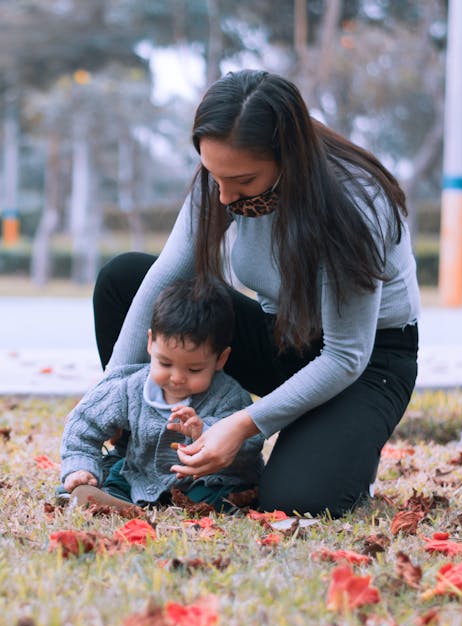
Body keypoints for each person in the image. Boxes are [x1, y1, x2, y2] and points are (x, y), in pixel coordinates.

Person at [93, 69, 420, 518]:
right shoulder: (225, 170)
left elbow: (346, 355)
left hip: (367, 364)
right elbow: (169, 272)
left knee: (299, 500)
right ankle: (138, 451)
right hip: (281, 337)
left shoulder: (355, 205)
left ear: (288, 158)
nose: (224, 196)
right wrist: (109, 395)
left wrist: (244, 426)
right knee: (124, 278)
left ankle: (339, 445)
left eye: (243, 182)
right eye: (214, 176)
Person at [60, 277, 263, 515]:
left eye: (194, 369)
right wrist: (80, 467)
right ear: (150, 344)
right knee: (114, 477)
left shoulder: (228, 396)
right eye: (165, 363)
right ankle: (111, 500)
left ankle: (186, 509)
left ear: (220, 359)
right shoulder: (131, 388)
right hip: (141, 476)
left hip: (205, 481)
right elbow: (85, 424)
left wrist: (206, 432)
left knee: (219, 495)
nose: (176, 377)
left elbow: (249, 446)